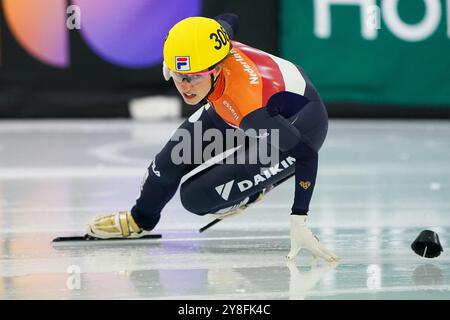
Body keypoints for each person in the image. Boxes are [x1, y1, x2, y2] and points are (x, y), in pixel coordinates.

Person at [86, 14, 339, 262]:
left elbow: (307, 154)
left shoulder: (249, 108)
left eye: (194, 77)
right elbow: (231, 18)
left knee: (196, 197)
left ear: (216, 69)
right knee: (168, 162)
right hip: (238, 102)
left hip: (301, 125)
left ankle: (253, 191)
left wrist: (299, 218)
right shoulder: (214, 42)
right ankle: (140, 220)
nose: (185, 87)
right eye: (177, 75)